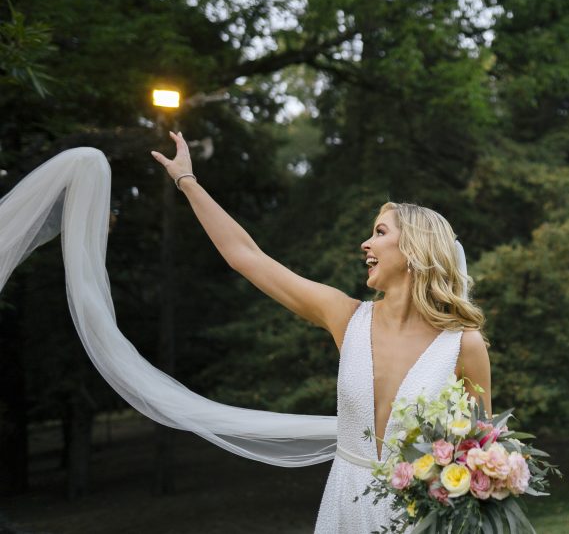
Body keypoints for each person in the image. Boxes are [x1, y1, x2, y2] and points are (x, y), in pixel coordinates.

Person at [151, 131, 491, 533]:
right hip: (344, 504)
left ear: (416, 248)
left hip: (422, 519)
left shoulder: (463, 346)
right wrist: (187, 181)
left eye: (380, 232)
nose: (365, 243)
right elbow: (247, 257)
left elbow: (481, 455)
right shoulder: (346, 318)